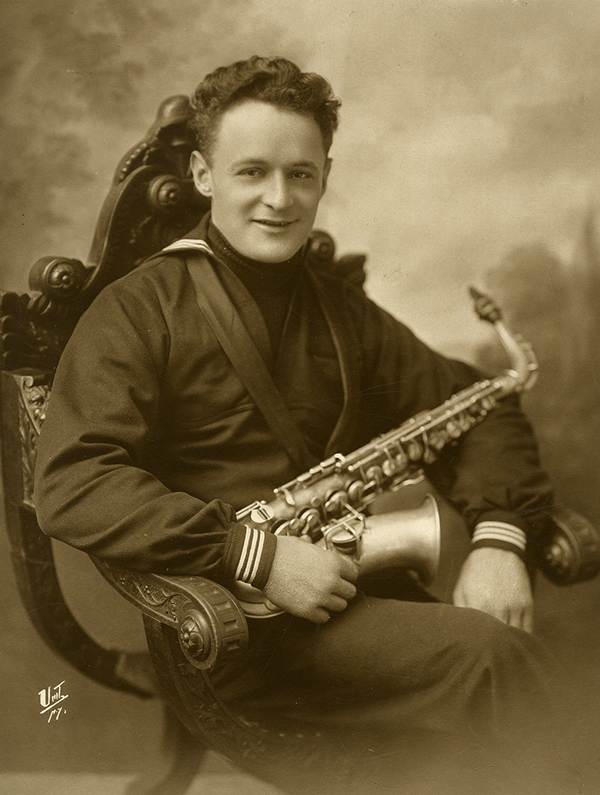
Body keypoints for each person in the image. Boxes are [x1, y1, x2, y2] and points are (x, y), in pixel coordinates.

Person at [34, 56, 578, 793]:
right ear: (203, 175)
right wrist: (254, 553)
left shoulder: (341, 308)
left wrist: (498, 538)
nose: (278, 200)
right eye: (251, 172)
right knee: (494, 658)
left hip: (351, 603)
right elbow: (73, 482)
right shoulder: (137, 310)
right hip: (230, 629)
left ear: (324, 176)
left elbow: (481, 403)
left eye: (302, 174)